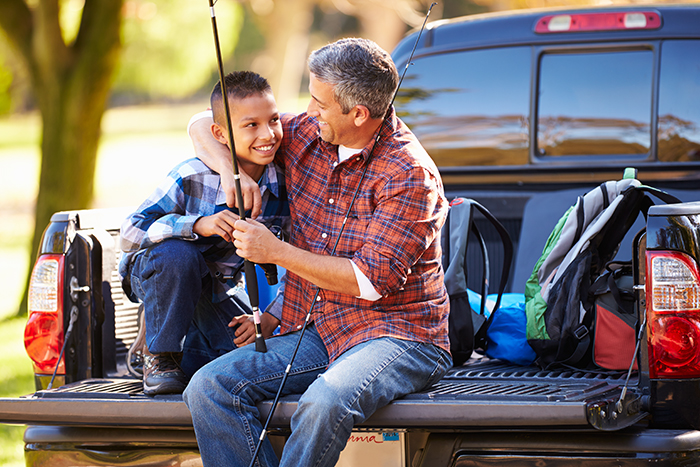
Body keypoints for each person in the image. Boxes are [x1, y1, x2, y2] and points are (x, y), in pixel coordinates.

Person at [183, 38, 451, 466]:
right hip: (323, 328)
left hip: (400, 335)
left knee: (323, 402)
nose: (307, 112)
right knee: (208, 387)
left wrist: (277, 251)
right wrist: (229, 171)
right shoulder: (312, 134)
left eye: (319, 103)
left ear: (358, 114)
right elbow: (204, 122)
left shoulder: (409, 174)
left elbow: (369, 281)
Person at [119, 71, 289, 396]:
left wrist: (271, 315)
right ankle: (158, 355)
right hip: (159, 272)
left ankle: (185, 355)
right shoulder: (192, 175)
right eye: (251, 125)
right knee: (180, 255)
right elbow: (129, 233)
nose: (267, 134)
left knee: (246, 362)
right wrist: (195, 225)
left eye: (274, 120)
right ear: (220, 134)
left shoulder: (280, 185)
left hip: (217, 289)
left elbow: (299, 254)